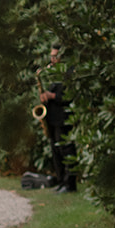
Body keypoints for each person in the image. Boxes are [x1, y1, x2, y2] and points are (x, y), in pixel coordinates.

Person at [36, 44, 76, 193]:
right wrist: (44, 96)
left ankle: (70, 184)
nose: (52, 59)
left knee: (67, 151)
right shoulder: (56, 75)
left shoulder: (69, 74)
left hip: (64, 119)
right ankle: (61, 181)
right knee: (56, 152)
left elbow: (70, 96)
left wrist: (51, 95)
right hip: (53, 120)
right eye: (51, 56)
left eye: (55, 56)